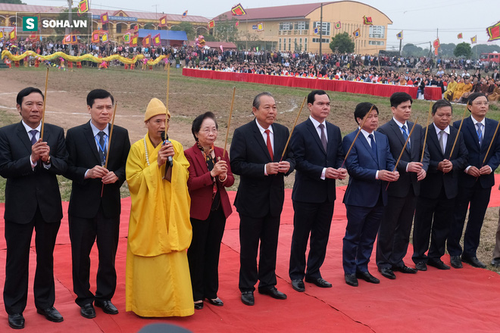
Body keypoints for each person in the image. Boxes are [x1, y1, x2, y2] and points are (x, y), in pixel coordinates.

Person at [0, 87, 68, 329]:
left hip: (48, 207)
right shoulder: (6, 134)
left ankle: (45, 303)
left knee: (46, 258)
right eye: (29, 104)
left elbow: (64, 165)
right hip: (20, 207)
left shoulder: (55, 132)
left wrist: (49, 159)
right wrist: (31, 159)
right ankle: (15, 308)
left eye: (39, 104)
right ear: (19, 107)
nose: (35, 108)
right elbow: (4, 168)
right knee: (16, 259)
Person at [64, 89, 130, 318]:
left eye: (108, 107)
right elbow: (66, 167)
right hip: (82, 207)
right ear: (89, 108)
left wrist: (117, 176)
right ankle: (84, 299)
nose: (105, 111)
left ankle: (104, 297)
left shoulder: (121, 134)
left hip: (110, 207)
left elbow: (126, 165)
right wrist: (87, 172)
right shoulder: (74, 134)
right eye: (100, 107)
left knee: (108, 255)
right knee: (81, 255)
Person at [125, 98, 194, 317]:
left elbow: (184, 175)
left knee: (173, 256)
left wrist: (171, 163)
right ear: (147, 123)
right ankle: (147, 305)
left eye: (165, 121)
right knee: (149, 256)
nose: (162, 126)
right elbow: (133, 181)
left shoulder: (176, 147)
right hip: (148, 215)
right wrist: (157, 165)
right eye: (157, 121)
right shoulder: (137, 149)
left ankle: (178, 305)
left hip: (171, 212)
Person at [230, 92, 295, 306]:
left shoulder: (283, 131)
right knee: (249, 247)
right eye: (267, 108)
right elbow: (237, 165)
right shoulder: (243, 133)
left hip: (274, 200)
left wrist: (288, 166)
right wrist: (264, 169)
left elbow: (292, 157)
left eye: (274, 107)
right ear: (255, 110)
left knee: (270, 245)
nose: (272, 112)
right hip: (251, 200)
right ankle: (247, 287)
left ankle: (268, 283)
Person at [288, 90, 346, 293]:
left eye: (328, 104)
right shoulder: (300, 130)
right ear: (309, 106)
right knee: (301, 236)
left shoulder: (334, 130)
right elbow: (299, 161)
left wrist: (340, 167)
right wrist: (322, 171)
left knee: (321, 236)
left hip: (327, 194)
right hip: (306, 194)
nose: (325, 107)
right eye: (321, 103)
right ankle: (296, 274)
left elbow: (339, 154)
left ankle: (314, 271)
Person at [342, 102, 399, 287]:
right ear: (359, 119)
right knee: (353, 236)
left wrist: (393, 171)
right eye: (369, 116)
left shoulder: (381, 138)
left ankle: (362, 268)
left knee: (369, 237)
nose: (374, 120)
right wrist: (377, 174)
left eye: (376, 116)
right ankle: (349, 270)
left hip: (380, 196)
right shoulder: (350, 139)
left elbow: (389, 159)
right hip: (359, 197)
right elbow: (353, 168)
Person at [184, 112, 234, 310]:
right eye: (206, 129)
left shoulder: (221, 153)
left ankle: (211, 292)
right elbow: (191, 183)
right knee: (197, 251)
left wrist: (222, 177)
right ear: (196, 133)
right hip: (198, 211)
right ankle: (195, 293)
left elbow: (230, 180)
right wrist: (211, 174)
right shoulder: (189, 154)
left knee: (214, 251)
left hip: (218, 209)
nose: (211, 133)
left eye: (214, 129)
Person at [376, 92, 428, 279]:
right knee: (389, 226)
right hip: (394, 186)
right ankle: (383, 262)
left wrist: (425, 169)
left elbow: (425, 154)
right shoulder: (383, 130)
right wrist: (406, 166)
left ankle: (398, 260)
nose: (408, 110)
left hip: (414, 186)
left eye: (409, 107)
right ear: (393, 109)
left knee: (405, 227)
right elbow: (385, 157)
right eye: (403, 107)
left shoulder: (417, 128)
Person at [412, 100, 468, 271]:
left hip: (449, 188)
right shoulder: (423, 132)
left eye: (448, 115)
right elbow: (421, 157)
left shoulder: (457, 134)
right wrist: (437, 165)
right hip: (428, 187)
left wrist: (453, 165)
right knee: (423, 224)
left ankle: (435, 256)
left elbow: (464, 157)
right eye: (441, 115)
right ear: (433, 114)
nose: (445, 118)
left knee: (443, 224)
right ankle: (419, 256)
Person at [447, 93, 500, 269]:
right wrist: (467, 167)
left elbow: (498, 152)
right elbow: (456, 152)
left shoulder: (495, 126)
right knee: (457, 216)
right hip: (464, 179)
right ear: (469, 106)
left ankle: (470, 253)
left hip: (485, 181)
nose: (484, 106)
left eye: (486, 103)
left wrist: (491, 166)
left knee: (477, 218)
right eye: (479, 103)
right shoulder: (459, 126)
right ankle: (454, 252)